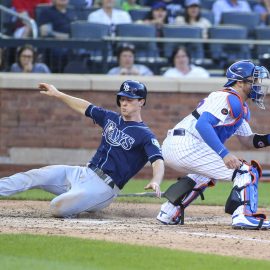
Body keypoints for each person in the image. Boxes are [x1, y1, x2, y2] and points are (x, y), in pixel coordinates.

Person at [0, 80, 164, 218]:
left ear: (141, 101)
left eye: (130, 99)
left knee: (57, 207)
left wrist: (156, 180)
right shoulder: (110, 118)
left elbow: (157, 160)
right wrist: (58, 94)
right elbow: (85, 107)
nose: (124, 102)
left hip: (103, 188)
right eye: (122, 98)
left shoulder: (145, 135)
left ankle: (78, 203)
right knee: (34, 176)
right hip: (82, 173)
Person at [156, 59, 270, 230]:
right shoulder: (227, 97)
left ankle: (169, 211)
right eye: (253, 81)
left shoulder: (239, 106)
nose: (256, 85)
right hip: (186, 143)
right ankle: (244, 216)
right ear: (239, 82)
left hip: (180, 145)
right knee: (246, 171)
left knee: (203, 175)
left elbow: (249, 141)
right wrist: (224, 154)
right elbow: (202, 124)